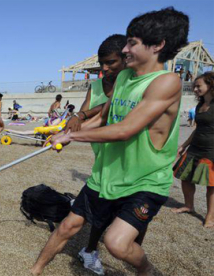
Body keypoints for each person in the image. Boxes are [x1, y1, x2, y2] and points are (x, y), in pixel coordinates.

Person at [31, 7, 189, 276]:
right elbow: (105, 117)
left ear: (158, 46)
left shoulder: (167, 82)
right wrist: (65, 134)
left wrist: (72, 135)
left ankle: (148, 270)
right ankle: (34, 269)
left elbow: (124, 130)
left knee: (115, 242)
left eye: (132, 42)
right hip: (108, 173)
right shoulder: (125, 76)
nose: (125, 49)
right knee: (68, 225)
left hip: (145, 181)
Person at [63, 34, 127, 275]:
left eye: (111, 62)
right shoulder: (97, 85)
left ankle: (93, 250)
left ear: (126, 58)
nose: (105, 68)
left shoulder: (129, 83)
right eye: (102, 63)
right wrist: (71, 126)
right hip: (102, 151)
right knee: (103, 207)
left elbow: (106, 111)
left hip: (124, 152)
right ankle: (91, 249)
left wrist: (83, 118)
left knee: (113, 208)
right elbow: (84, 113)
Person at [172, 72, 214, 228]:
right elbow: (198, 129)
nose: (195, 89)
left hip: (211, 150)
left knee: (212, 185)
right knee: (185, 176)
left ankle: (210, 217)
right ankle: (189, 205)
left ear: (210, 85)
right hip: (195, 147)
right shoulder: (199, 105)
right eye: (194, 86)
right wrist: (184, 145)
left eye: (198, 86)